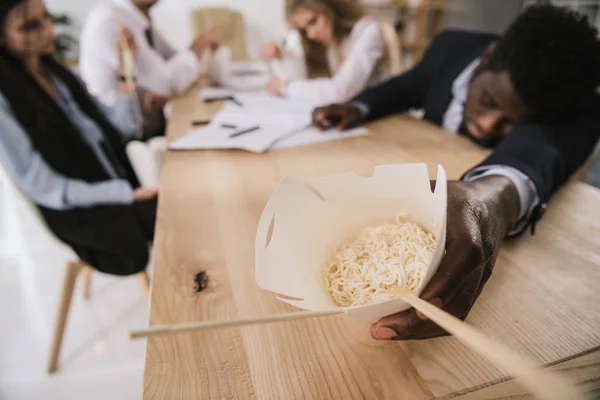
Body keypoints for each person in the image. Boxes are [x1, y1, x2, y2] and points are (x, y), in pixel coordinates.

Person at [312, 5, 600, 340]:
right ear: (486, 59)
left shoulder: (581, 108)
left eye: (512, 123)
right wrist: (358, 106)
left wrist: (490, 196)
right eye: (489, 100)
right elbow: (406, 87)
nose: (489, 125)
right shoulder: (451, 46)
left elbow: (540, 153)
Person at [0, 0, 158, 276]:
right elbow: (42, 185)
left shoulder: (61, 77)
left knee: (177, 210)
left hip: (112, 183)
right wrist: (122, 193)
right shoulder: (6, 100)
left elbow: (120, 129)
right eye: (30, 26)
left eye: (46, 19)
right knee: (166, 221)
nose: (47, 31)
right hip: (77, 210)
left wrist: (125, 72)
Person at [79, 0, 220, 140]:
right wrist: (200, 43)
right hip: (127, 136)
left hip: (151, 123)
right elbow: (167, 82)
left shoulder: (139, 19)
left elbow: (175, 63)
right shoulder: (110, 22)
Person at [260, 0, 393, 105]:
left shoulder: (368, 30)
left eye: (313, 21)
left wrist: (285, 88)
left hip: (383, 120)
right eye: (304, 30)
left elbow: (340, 91)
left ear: (329, 5)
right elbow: (307, 77)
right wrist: (282, 55)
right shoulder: (332, 42)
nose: (311, 34)